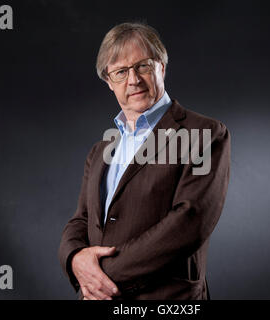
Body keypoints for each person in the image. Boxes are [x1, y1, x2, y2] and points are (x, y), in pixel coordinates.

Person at [58, 22, 231, 300]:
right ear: (108, 81)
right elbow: (81, 220)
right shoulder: (101, 150)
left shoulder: (204, 134)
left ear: (162, 65)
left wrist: (99, 276)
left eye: (143, 66)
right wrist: (75, 259)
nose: (133, 80)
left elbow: (190, 222)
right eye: (121, 72)